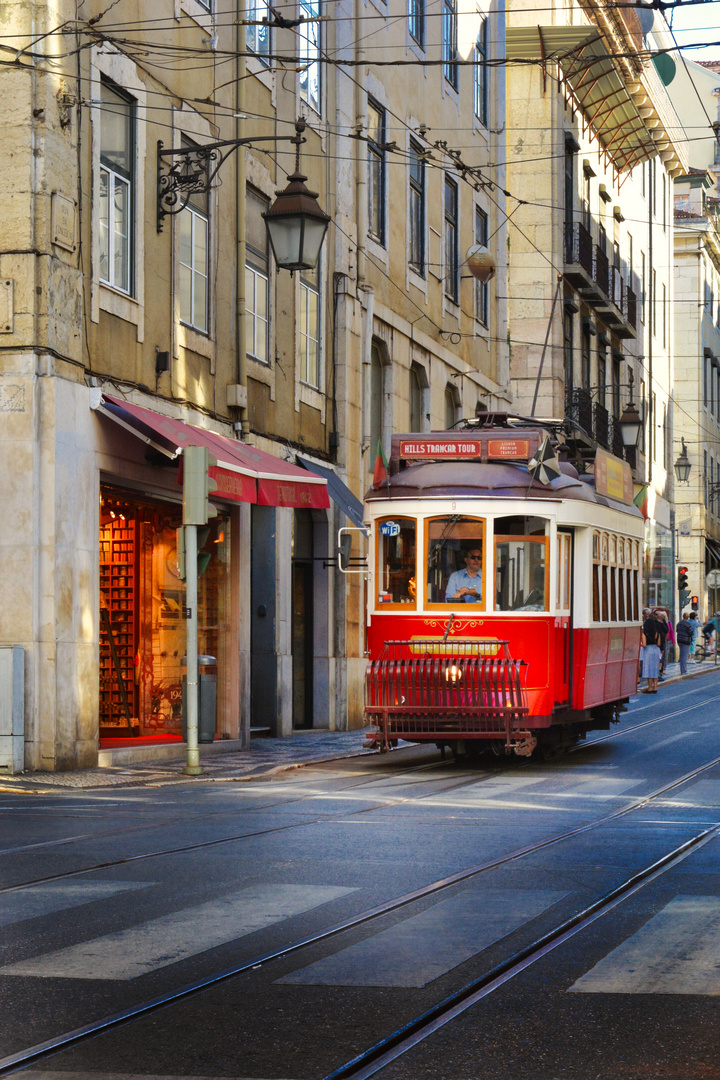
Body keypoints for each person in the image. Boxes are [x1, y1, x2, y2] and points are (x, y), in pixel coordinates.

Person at [641, 610, 663, 693]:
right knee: (655, 669)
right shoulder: (657, 634)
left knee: (648, 669)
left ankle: (650, 687)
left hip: (648, 651)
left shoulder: (644, 634)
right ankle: (655, 687)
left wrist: (640, 644)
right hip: (655, 650)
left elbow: (644, 645)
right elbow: (658, 644)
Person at [655, 609, 670, 680]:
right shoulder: (653, 623)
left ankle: (659, 673)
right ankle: (656, 674)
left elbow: (666, 630)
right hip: (655, 643)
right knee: (657, 659)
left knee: (660, 659)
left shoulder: (663, 623)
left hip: (661, 642)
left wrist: (663, 622)